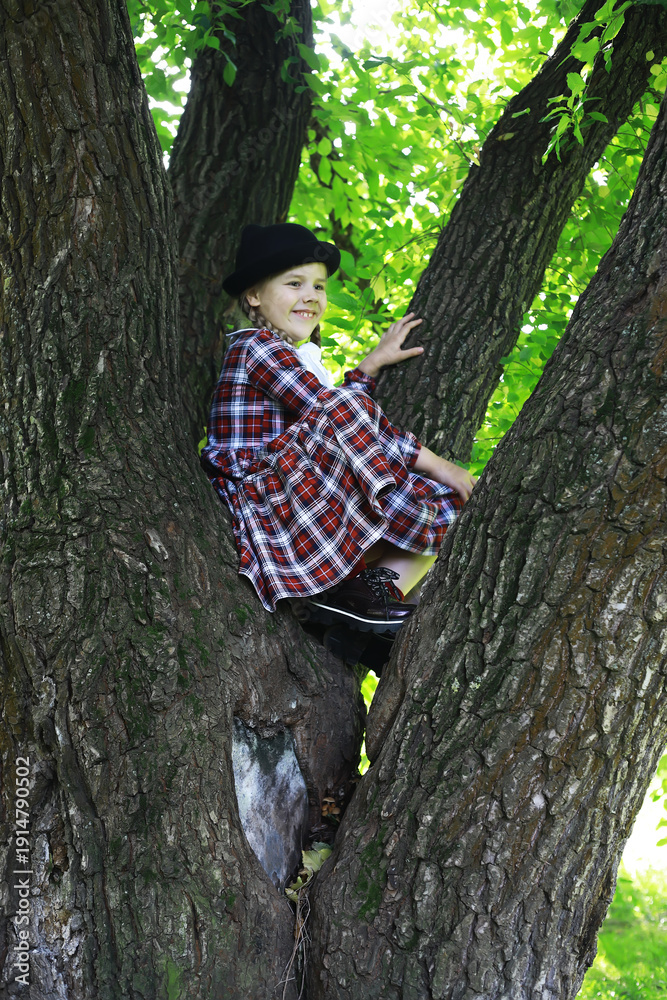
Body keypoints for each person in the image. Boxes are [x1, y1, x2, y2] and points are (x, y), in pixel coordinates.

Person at [201, 223, 476, 635]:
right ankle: (366, 584)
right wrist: (439, 464)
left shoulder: (292, 357)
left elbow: (332, 417)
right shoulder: (254, 346)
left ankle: (367, 600)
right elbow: (333, 413)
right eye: (294, 283)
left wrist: (370, 366)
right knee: (431, 481)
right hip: (260, 501)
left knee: (453, 505)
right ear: (254, 295)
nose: (311, 295)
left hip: (294, 504)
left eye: (319, 286)